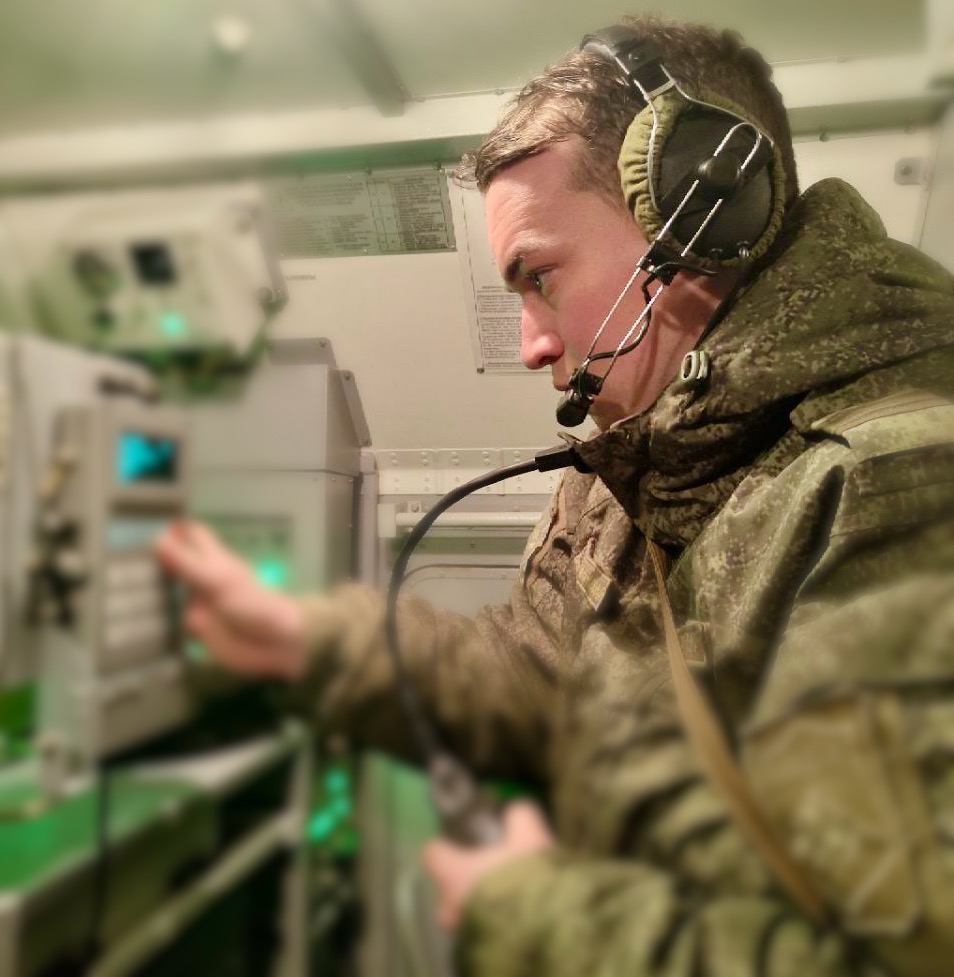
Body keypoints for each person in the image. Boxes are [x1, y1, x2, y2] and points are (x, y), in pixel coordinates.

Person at [156, 14, 954, 975]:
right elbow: (533, 667)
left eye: (539, 278)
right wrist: (305, 637)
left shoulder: (893, 485)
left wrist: (531, 907)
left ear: (702, 216)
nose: (534, 343)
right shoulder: (641, 458)